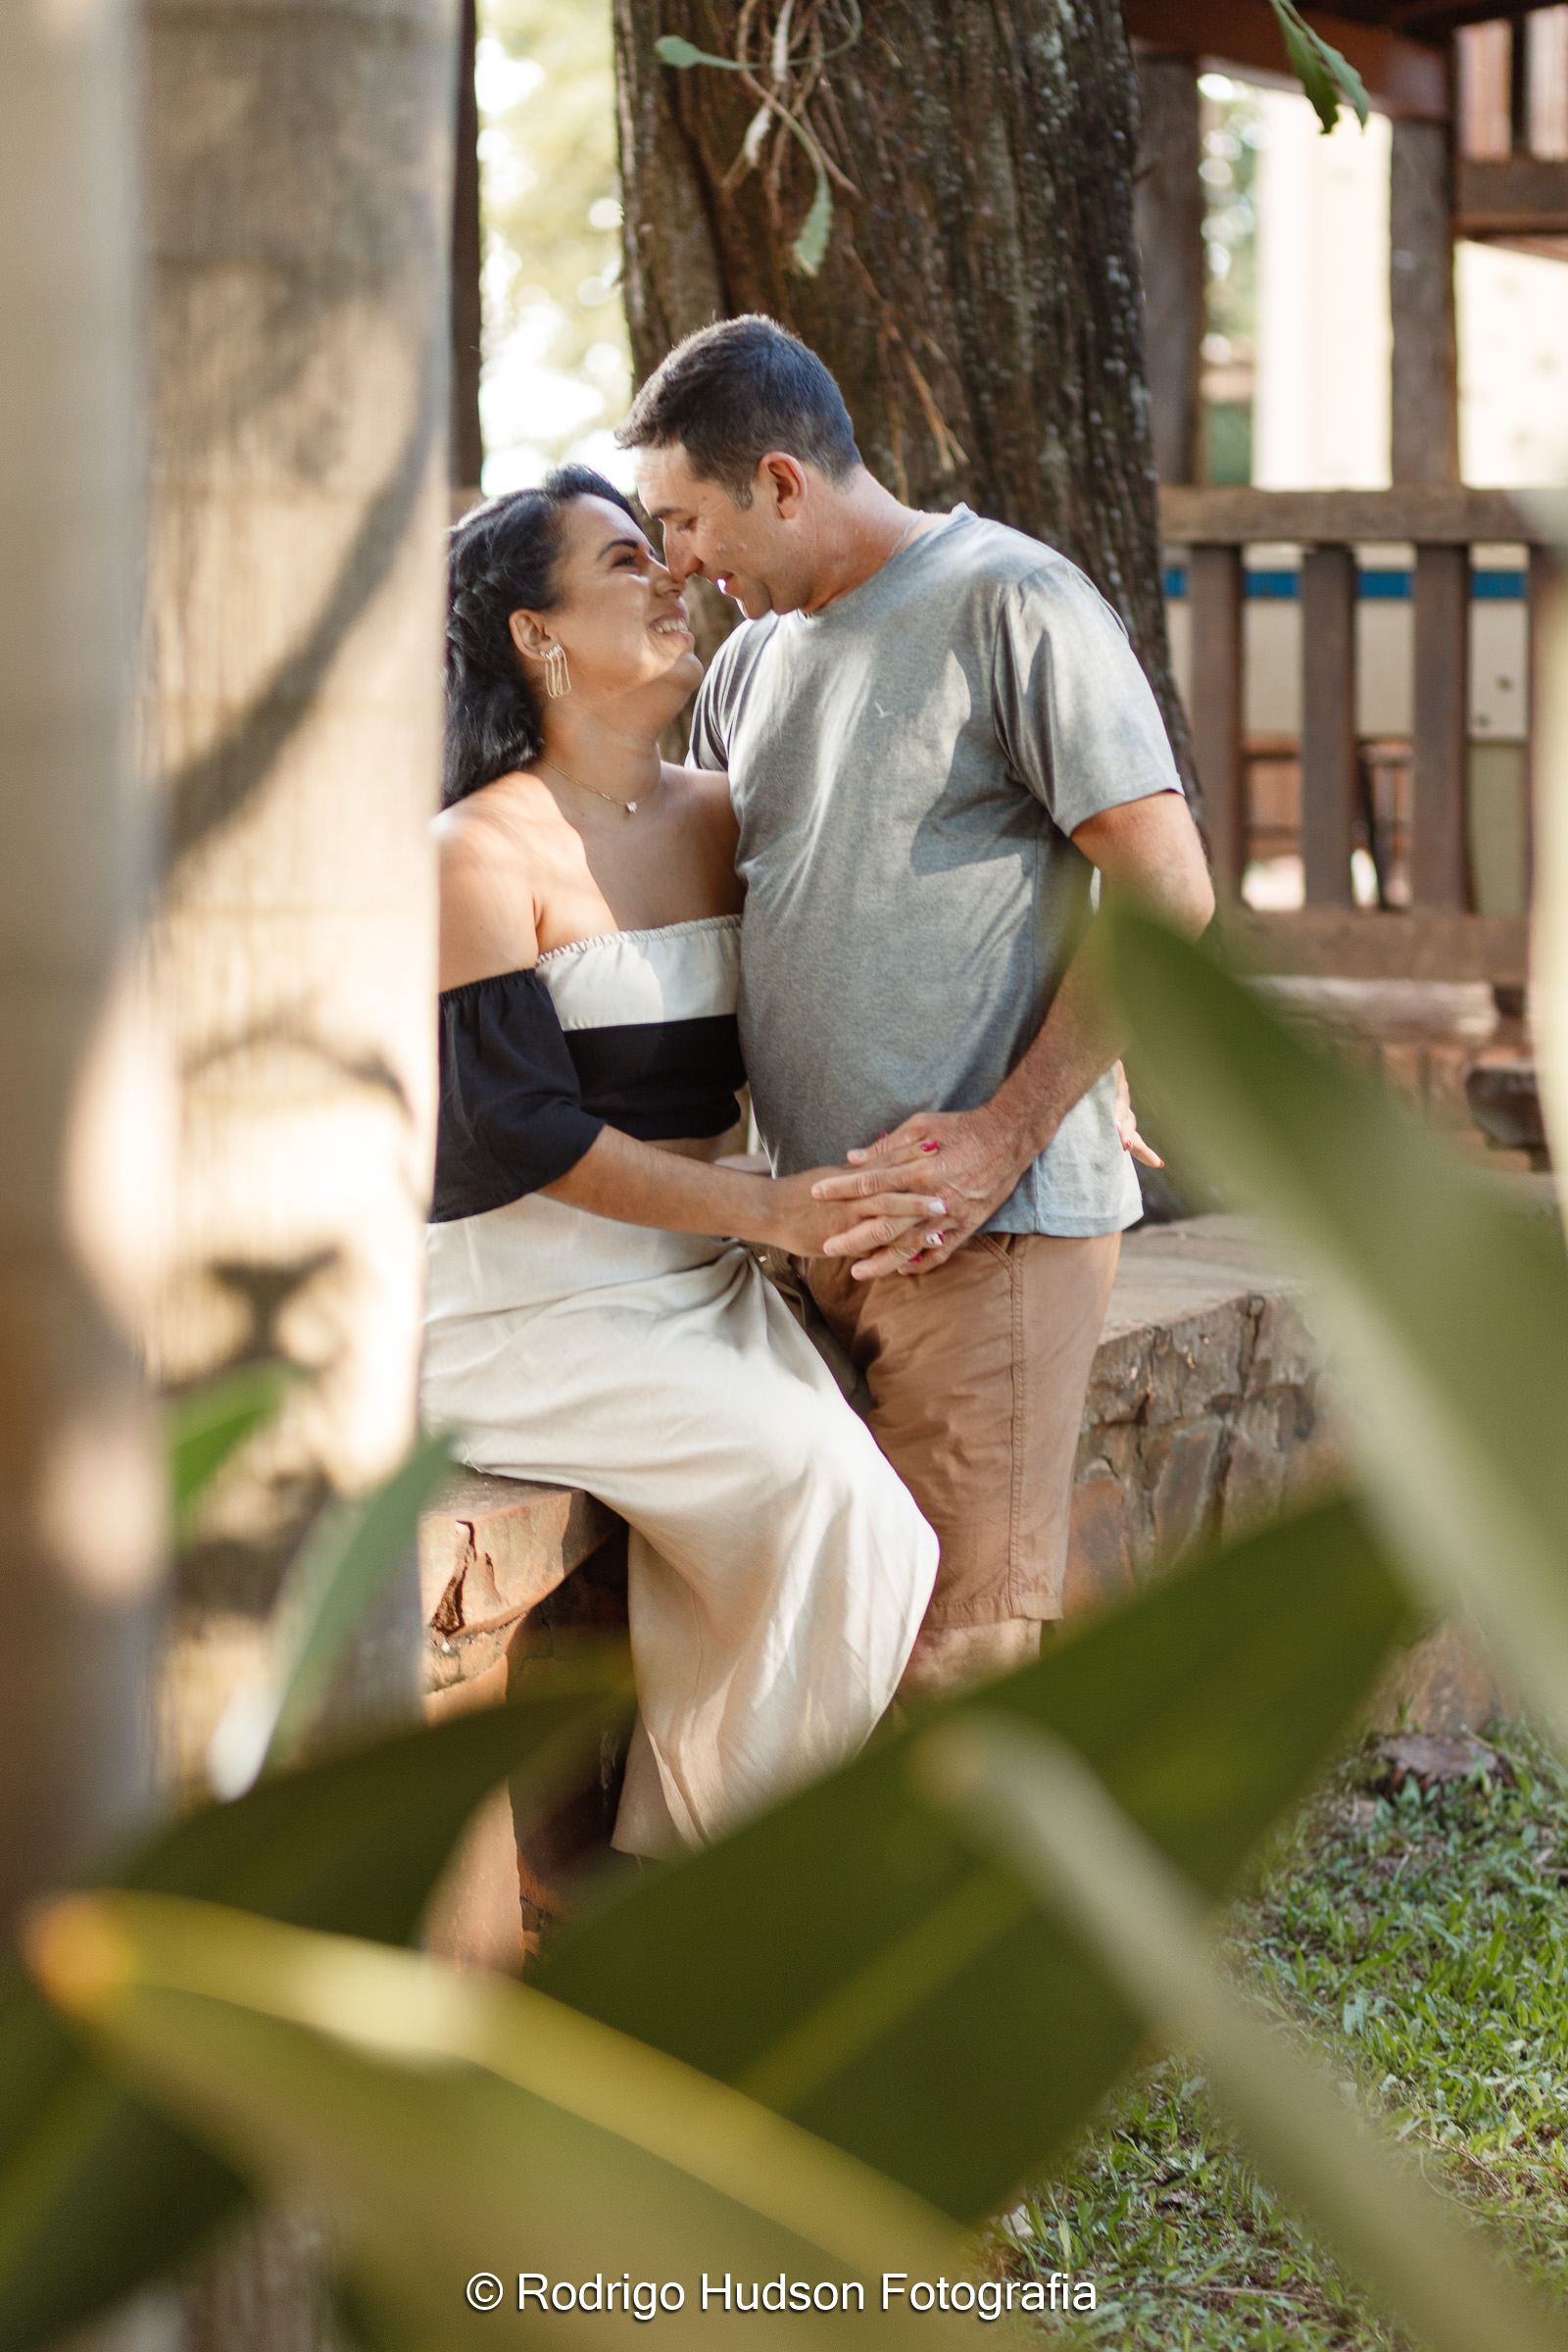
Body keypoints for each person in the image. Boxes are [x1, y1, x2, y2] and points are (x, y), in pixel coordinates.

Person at [620, 316, 1216, 1703]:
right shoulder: (758, 665)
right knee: (856, 1629)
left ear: (779, 480)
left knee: (962, 1648)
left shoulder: (1013, 599)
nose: (678, 565)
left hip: (989, 1235)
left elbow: (1167, 894)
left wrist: (1012, 1133)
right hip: (817, 1228)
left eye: (686, 521)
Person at [422, 466, 943, 1860]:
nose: (672, 580)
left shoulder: (728, 813)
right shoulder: (476, 849)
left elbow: (915, 929)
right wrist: (766, 1212)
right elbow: (516, 1131)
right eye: (623, 564)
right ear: (537, 635)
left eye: (665, 556)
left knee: (879, 1536)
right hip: (530, 1306)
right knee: (828, 1502)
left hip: (704, 1287)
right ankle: (717, 1899)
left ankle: (680, 1878)